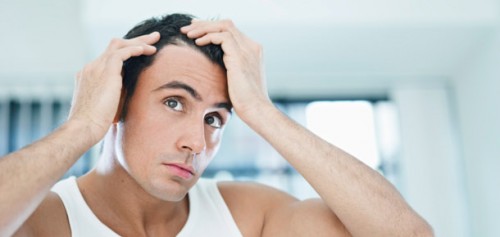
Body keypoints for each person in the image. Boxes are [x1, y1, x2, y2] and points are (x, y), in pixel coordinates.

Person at [0, 13, 433, 237]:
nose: (197, 141)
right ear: (117, 102)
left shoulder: (247, 216)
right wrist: (83, 125)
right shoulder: (46, 218)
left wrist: (263, 111)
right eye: (174, 102)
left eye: (215, 118)